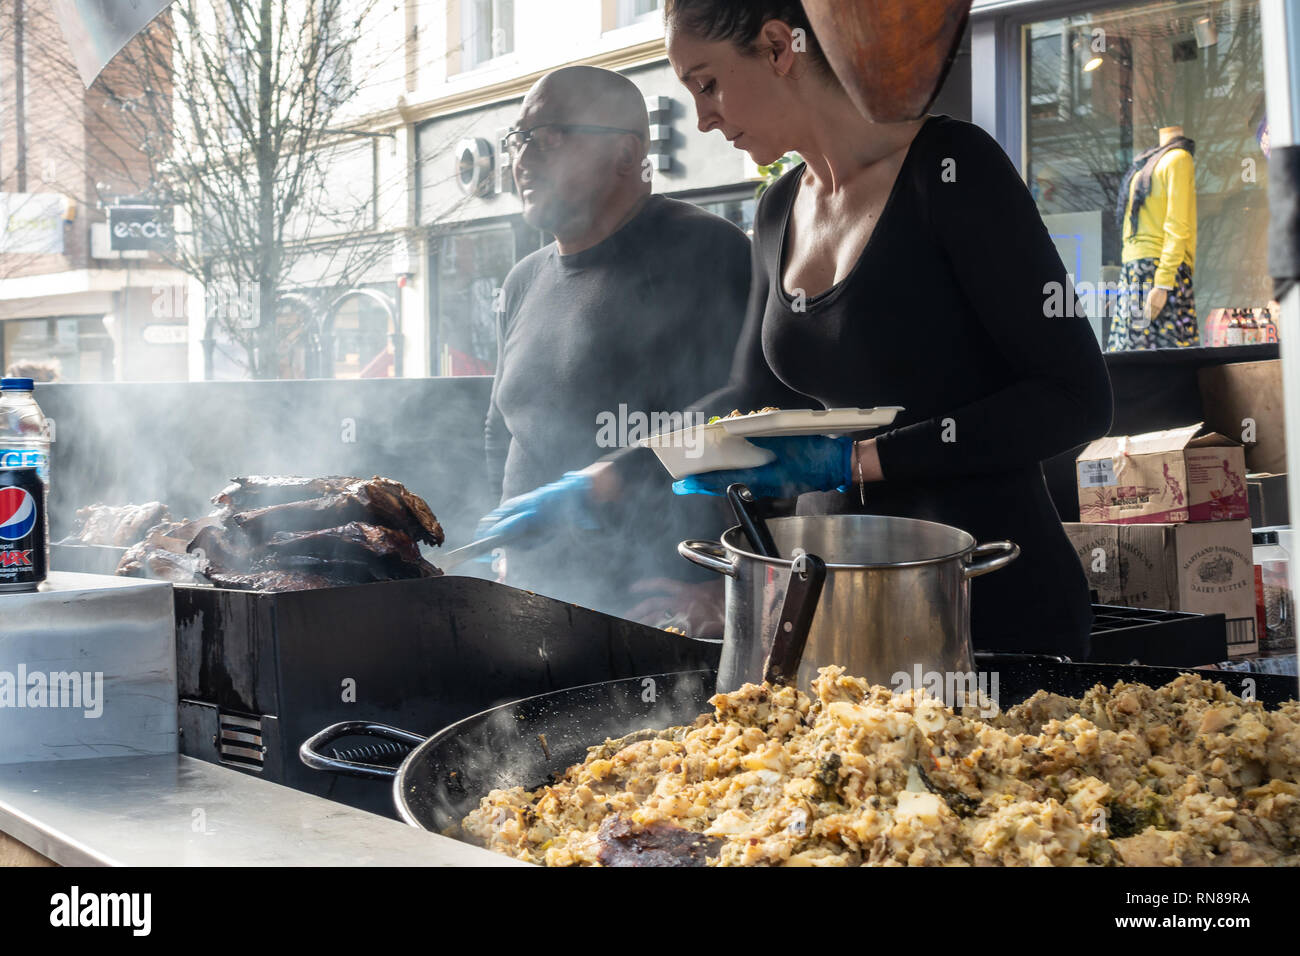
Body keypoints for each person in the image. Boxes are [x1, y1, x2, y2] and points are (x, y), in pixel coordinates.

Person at [653, 0, 1114, 660]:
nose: (703, 118)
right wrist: (620, 466)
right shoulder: (779, 206)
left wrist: (858, 462)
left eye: (707, 84)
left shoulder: (951, 170)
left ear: (781, 46)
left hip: (983, 600)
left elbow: (1077, 399)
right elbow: (754, 396)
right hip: (832, 605)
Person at [478, 65, 751, 623]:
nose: (522, 159)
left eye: (547, 135)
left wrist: (736, 585)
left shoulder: (707, 252)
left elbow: (755, 419)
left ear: (626, 155)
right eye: (517, 139)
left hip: (658, 618)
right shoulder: (523, 280)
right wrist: (500, 548)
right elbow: (501, 428)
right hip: (537, 609)